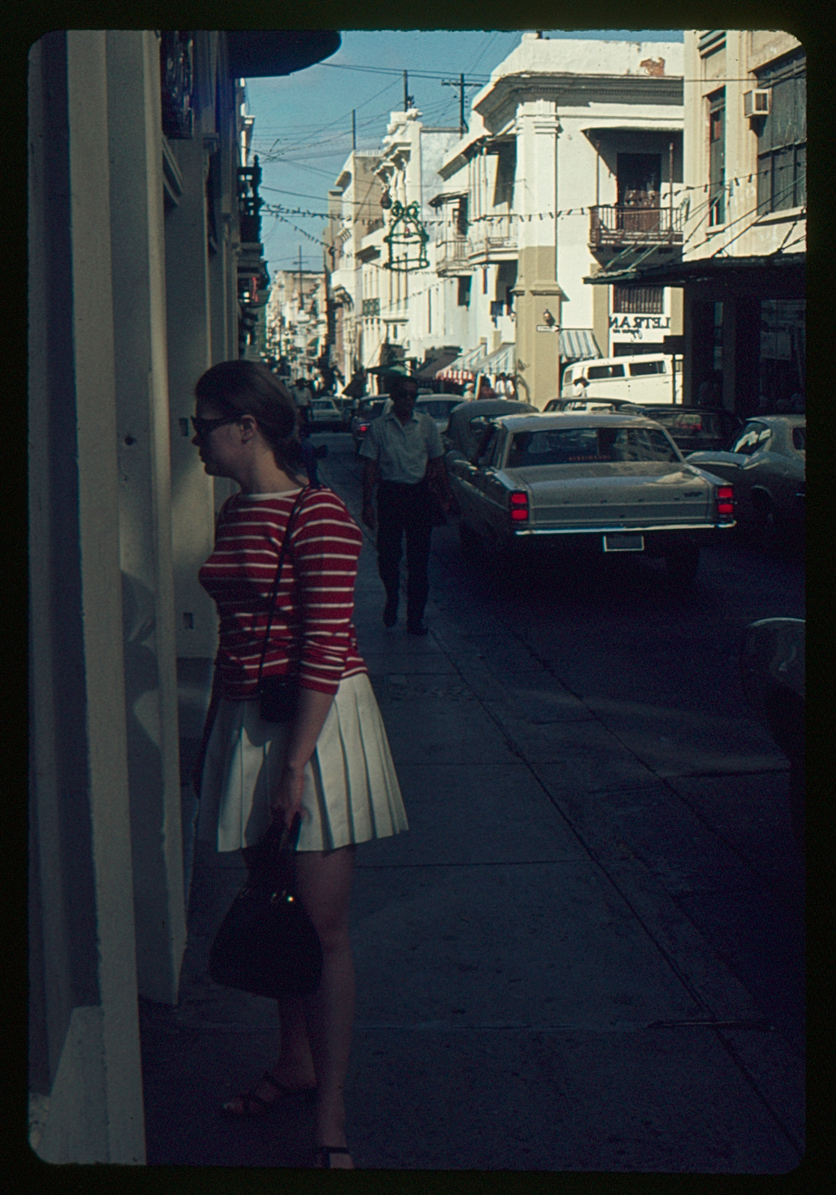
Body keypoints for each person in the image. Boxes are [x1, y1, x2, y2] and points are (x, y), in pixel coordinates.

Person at [190, 360, 407, 1169]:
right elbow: (232, 639)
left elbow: (323, 645)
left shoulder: (320, 516)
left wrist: (293, 768)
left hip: (314, 728)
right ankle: (293, 1061)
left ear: (247, 427)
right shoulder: (233, 513)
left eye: (203, 425)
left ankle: (332, 1110)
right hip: (249, 722)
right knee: (275, 907)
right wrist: (215, 738)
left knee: (320, 926)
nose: (195, 440)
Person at [359, 375, 456, 635]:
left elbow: (437, 461)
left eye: (413, 395)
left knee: (419, 561)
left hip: (418, 496)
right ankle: (392, 596)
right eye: (403, 394)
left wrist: (446, 495)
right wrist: (367, 504)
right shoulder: (379, 427)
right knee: (388, 556)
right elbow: (370, 466)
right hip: (390, 496)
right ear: (393, 397)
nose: (408, 400)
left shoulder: (426, 425)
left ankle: (415, 618)